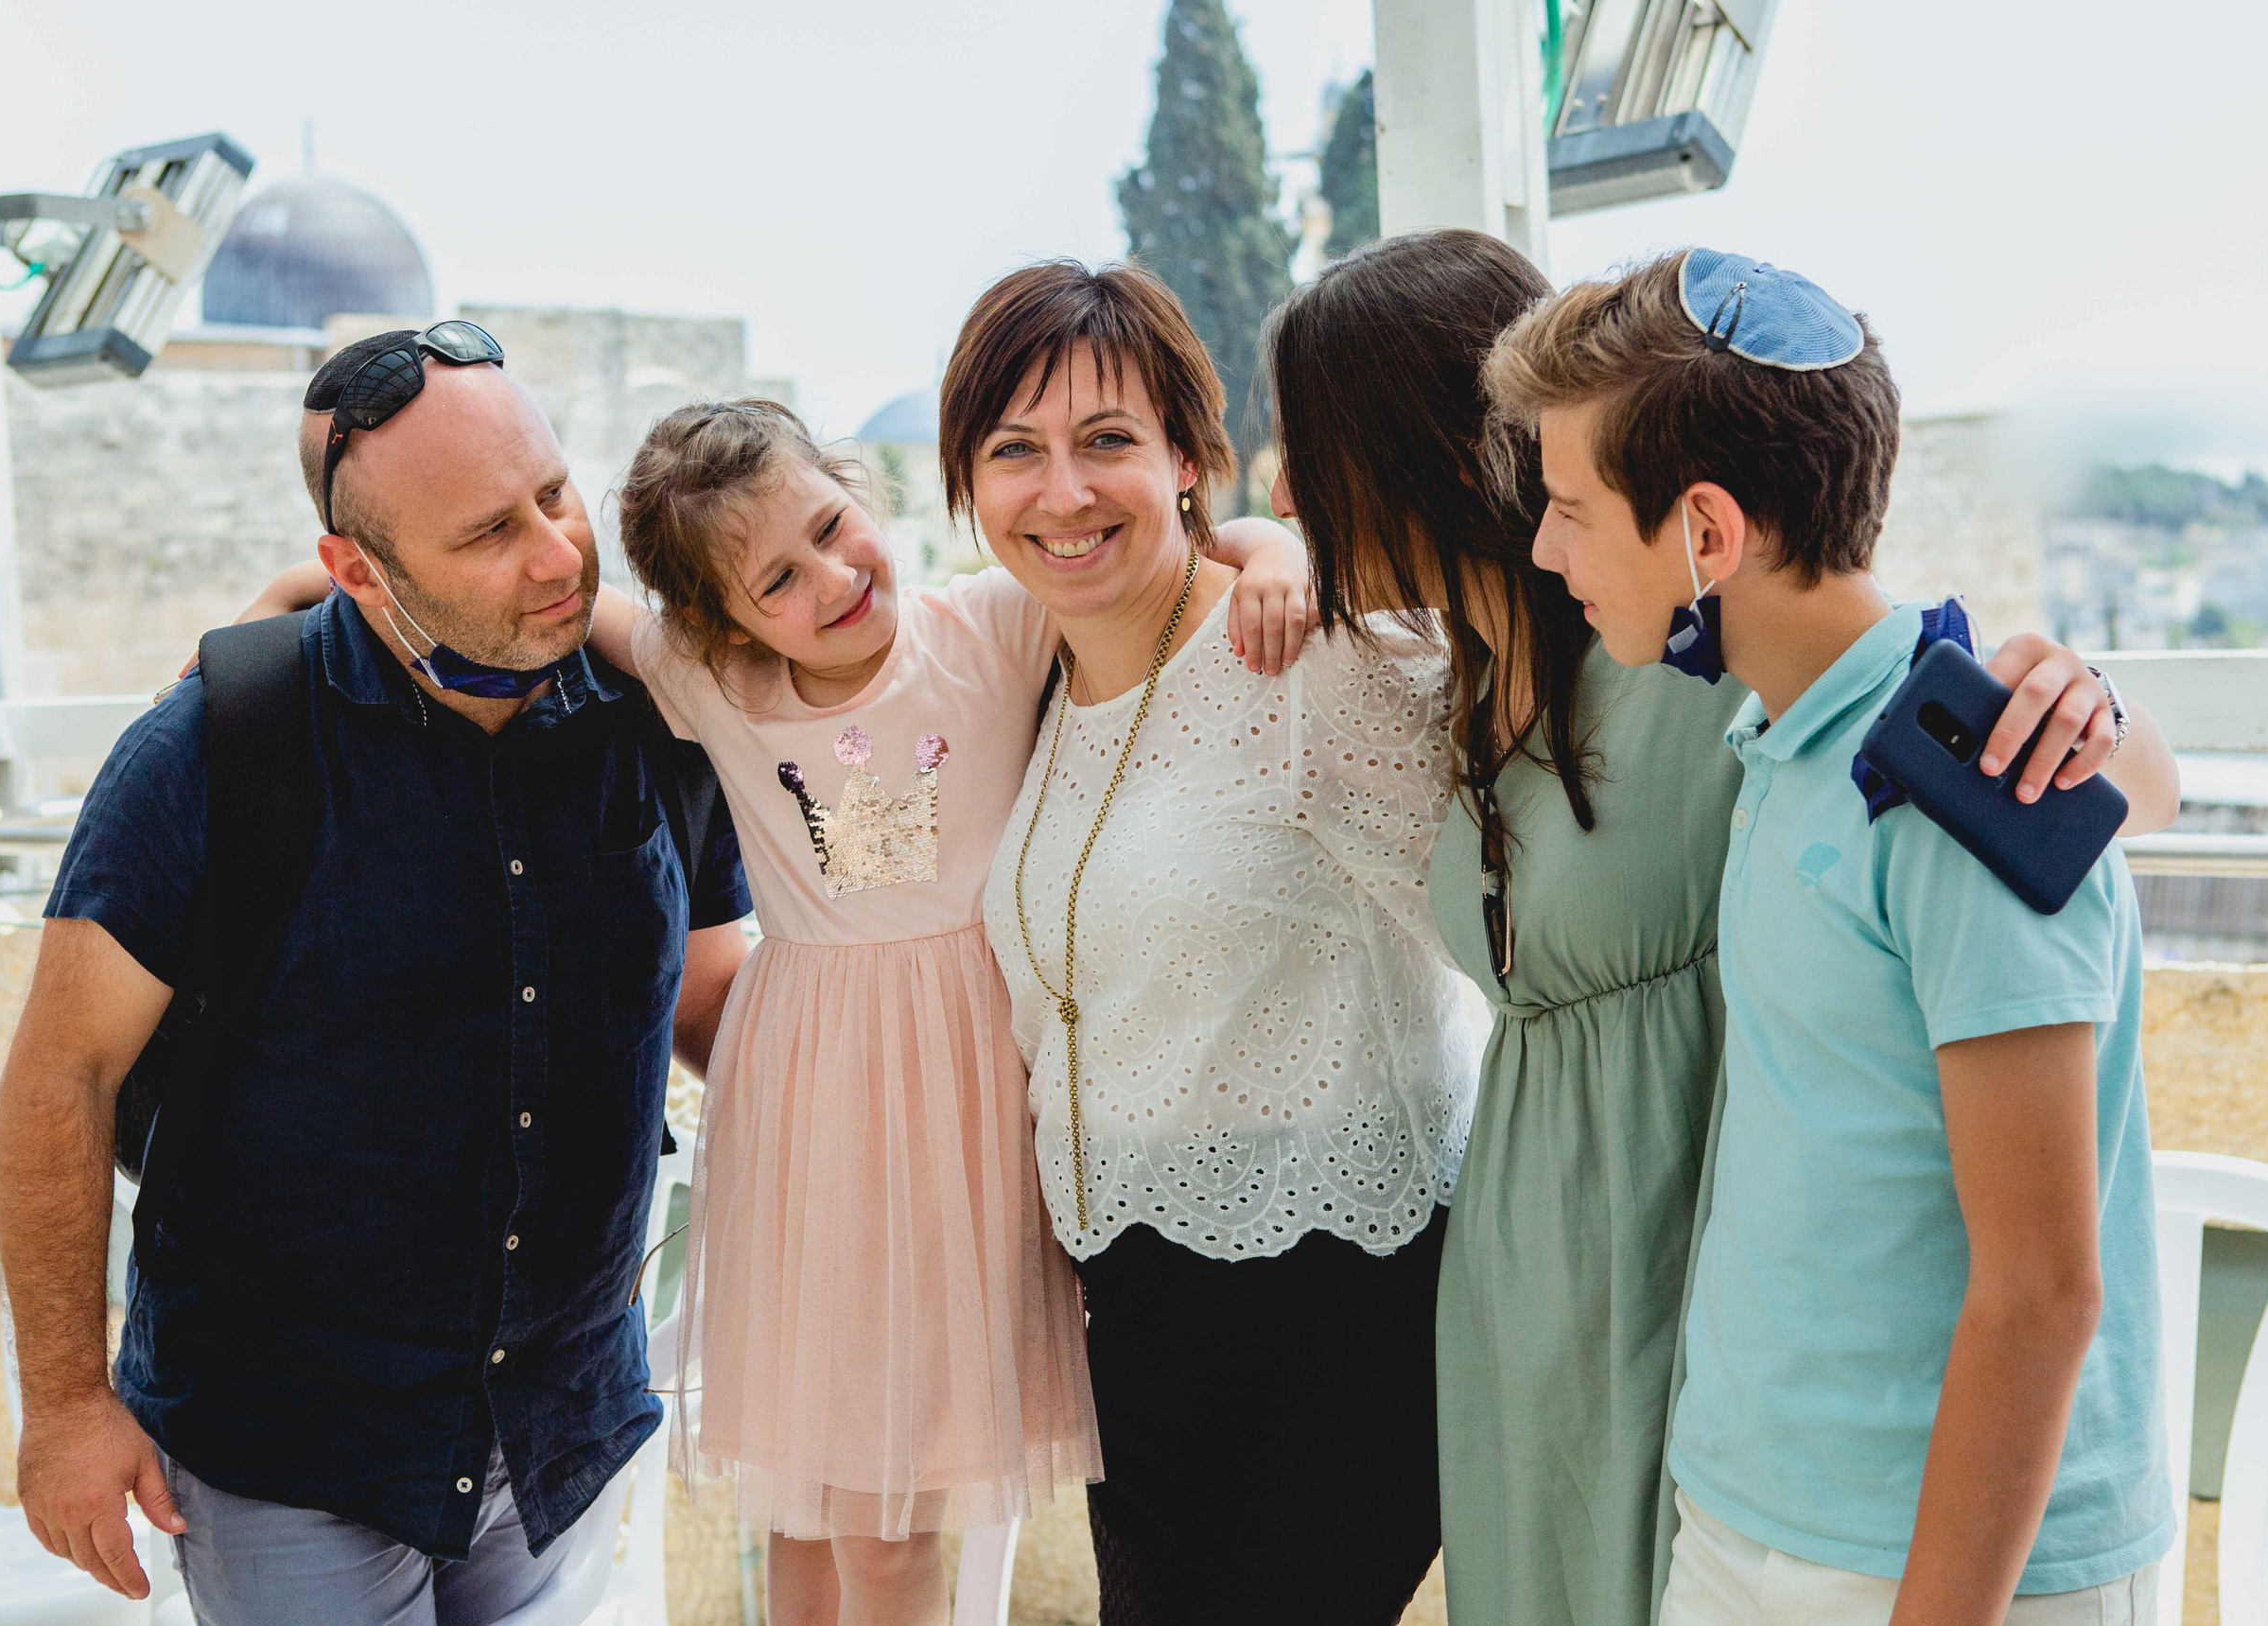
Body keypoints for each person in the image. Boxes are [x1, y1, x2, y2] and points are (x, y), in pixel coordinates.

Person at [1258, 229, 2180, 1626]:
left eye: (1565, 501)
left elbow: (2043, 1287)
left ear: (1698, 532)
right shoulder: (1766, 742)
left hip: (1878, 1508)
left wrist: (2092, 714)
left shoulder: (1868, 756)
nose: (1545, 535)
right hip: (1725, 1477)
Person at [0, 324, 752, 1626]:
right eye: (487, 535)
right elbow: (64, 1073)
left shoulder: (658, 722)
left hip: (564, 1424)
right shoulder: (215, 747)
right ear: (357, 570)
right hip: (289, 1445)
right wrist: (64, 1403)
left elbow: (715, 1009)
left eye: (554, 497)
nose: (559, 554)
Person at [581, 397, 1310, 1626]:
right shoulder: (710, 678)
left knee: (897, 1504)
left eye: (830, 524)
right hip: (808, 1107)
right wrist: (303, 591)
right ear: (723, 618)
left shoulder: (990, 626)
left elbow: (1188, 552)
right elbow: (572, 609)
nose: (829, 576)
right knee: (809, 1489)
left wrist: (1280, 552)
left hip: (965, 1099)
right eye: (777, 578)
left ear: (862, 488)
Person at [946, 260, 1481, 1626]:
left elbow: (1559, 763)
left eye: (1108, 442)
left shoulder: (1314, 665)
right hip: (1134, 1326)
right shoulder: (1030, 689)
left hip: (1339, 1311)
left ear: (1190, 457)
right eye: (1015, 452)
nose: (1061, 493)